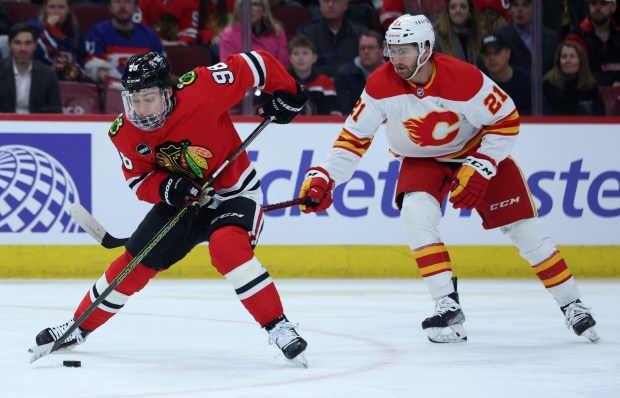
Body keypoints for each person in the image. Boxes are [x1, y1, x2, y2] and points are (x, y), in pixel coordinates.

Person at [297, 14, 599, 345]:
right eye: (392, 50)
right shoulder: (380, 85)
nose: (396, 59)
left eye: (405, 51)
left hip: (475, 151)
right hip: (422, 159)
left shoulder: (464, 78)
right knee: (415, 215)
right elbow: (353, 139)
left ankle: (572, 304)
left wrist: (482, 165)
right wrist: (325, 176)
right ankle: (447, 305)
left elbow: (506, 120)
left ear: (425, 50)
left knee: (526, 230)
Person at [30, 50, 310, 366]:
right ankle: (78, 327)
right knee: (133, 263)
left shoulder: (203, 89)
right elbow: (140, 180)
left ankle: (279, 326)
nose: (140, 108)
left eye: (148, 98)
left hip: (233, 193)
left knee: (227, 249)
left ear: (169, 89)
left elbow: (255, 63)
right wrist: (169, 187)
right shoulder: (124, 132)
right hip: (182, 204)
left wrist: (290, 91)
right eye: (133, 99)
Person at [85, 0, 165, 84]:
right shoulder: (99, 32)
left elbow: (162, 68)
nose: (122, 6)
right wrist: (112, 82)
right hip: (111, 90)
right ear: (109, 6)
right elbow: (93, 67)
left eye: (128, 1)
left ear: (136, 7)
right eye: (117, 1)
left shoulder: (151, 36)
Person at [0, 23, 62, 114]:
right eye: (17, 43)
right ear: (9, 45)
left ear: (35, 45)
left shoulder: (48, 75)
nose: (23, 48)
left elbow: (55, 112)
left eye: (28, 43)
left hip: (38, 126)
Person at [297, 0, 366, 77]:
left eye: (335, 1)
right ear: (320, 5)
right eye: (326, 1)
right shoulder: (307, 32)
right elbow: (303, 68)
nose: (330, 5)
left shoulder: (360, 33)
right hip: (317, 85)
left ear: (345, 5)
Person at [493, 0, 561, 77]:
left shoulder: (551, 40)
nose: (520, 10)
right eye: (515, 5)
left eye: (525, 5)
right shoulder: (499, 38)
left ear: (536, 8)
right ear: (510, 10)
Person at [29, 0, 90, 81]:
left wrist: (75, 71)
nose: (56, 12)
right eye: (52, 7)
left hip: (69, 80)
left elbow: (81, 59)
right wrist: (49, 29)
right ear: (44, 8)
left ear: (68, 9)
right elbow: (37, 57)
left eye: (61, 7)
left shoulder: (76, 32)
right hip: (41, 80)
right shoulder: (33, 28)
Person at [219, 0, 289, 68]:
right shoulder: (229, 35)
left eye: (255, 4)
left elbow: (283, 66)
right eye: (243, 5)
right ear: (238, 11)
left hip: (273, 78)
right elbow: (227, 67)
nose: (249, 8)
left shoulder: (277, 32)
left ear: (264, 10)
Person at [566, 0, 620, 87]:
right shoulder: (575, 38)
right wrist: (610, 83)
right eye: (593, 3)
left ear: (613, 7)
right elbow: (578, 72)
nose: (597, 8)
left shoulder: (617, 33)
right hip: (588, 96)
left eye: (603, 3)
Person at [543, 40, 605, 115]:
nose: (568, 60)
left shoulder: (591, 86)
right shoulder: (548, 84)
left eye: (572, 56)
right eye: (564, 56)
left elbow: (599, 115)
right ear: (558, 61)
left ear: (581, 60)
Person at [479, 32, 533, 115]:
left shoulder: (525, 81)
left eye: (496, 52)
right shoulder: (478, 81)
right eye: (487, 54)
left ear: (508, 53)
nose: (492, 58)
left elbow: (544, 113)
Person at [333, 30, 384, 115]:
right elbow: (345, 111)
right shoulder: (344, 75)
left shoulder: (393, 73)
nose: (366, 52)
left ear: (382, 51)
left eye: (371, 47)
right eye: (362, 48)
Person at [288, 35, 340, 115]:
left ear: (314, 58)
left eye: (305, 53)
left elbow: (333, 113)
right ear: (290, 58)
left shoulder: (325, 82)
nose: (300, 58)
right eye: (296, 53)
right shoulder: (284, 82)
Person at [434, 0, 483, 65]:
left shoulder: (479, 35)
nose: (458, 10)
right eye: (453, 7)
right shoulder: (438, 36)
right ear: (448, 12)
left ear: (470, 11)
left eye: (463, 6)